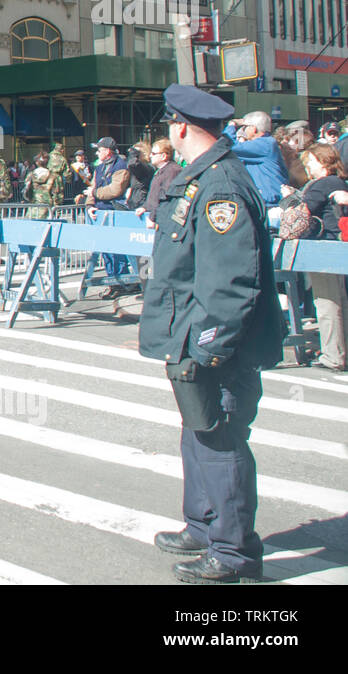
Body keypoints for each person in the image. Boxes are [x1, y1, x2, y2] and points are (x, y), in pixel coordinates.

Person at [142, 84, 283, 583]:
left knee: (221, 440)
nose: (169, 131)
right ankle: (203, 526)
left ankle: (233, 550)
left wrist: (209, 346)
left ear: (181, 126)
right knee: (198, 433)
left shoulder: (219, 184)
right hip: (189, 334)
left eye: (170, 124)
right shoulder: (199, 178)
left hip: (213, 343)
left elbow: (231, 281)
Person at [279, 143, 348, 371]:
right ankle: (340, 352)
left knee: (326, 302)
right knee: (339, 300)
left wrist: (289, 199)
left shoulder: (322, 184)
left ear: (323, 162)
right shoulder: (338, 182)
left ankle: (333, 356)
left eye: (310, 161)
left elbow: (303, 212)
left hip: (323, 250)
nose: (307, 166)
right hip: (336, 246)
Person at [84, 136, 135, 296]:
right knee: (106, 251)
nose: (97, 153)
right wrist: (90, 205)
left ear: (107, 151)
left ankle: (122, 283)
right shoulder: (99, 168)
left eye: (99, 150)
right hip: (100, 213)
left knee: (117, 250)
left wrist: (94, 193)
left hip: (115, 213)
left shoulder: (121, 166)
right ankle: (113, 282)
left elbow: (115, 190)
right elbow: (93, 186)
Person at [222, 111, 287, 207]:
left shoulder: (265, 144)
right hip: (264, 203)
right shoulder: (265, 144)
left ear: (254, 128)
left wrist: (232, 125)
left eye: (245, 127)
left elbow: (228, 145)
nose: (243, 130)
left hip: (271, 205)